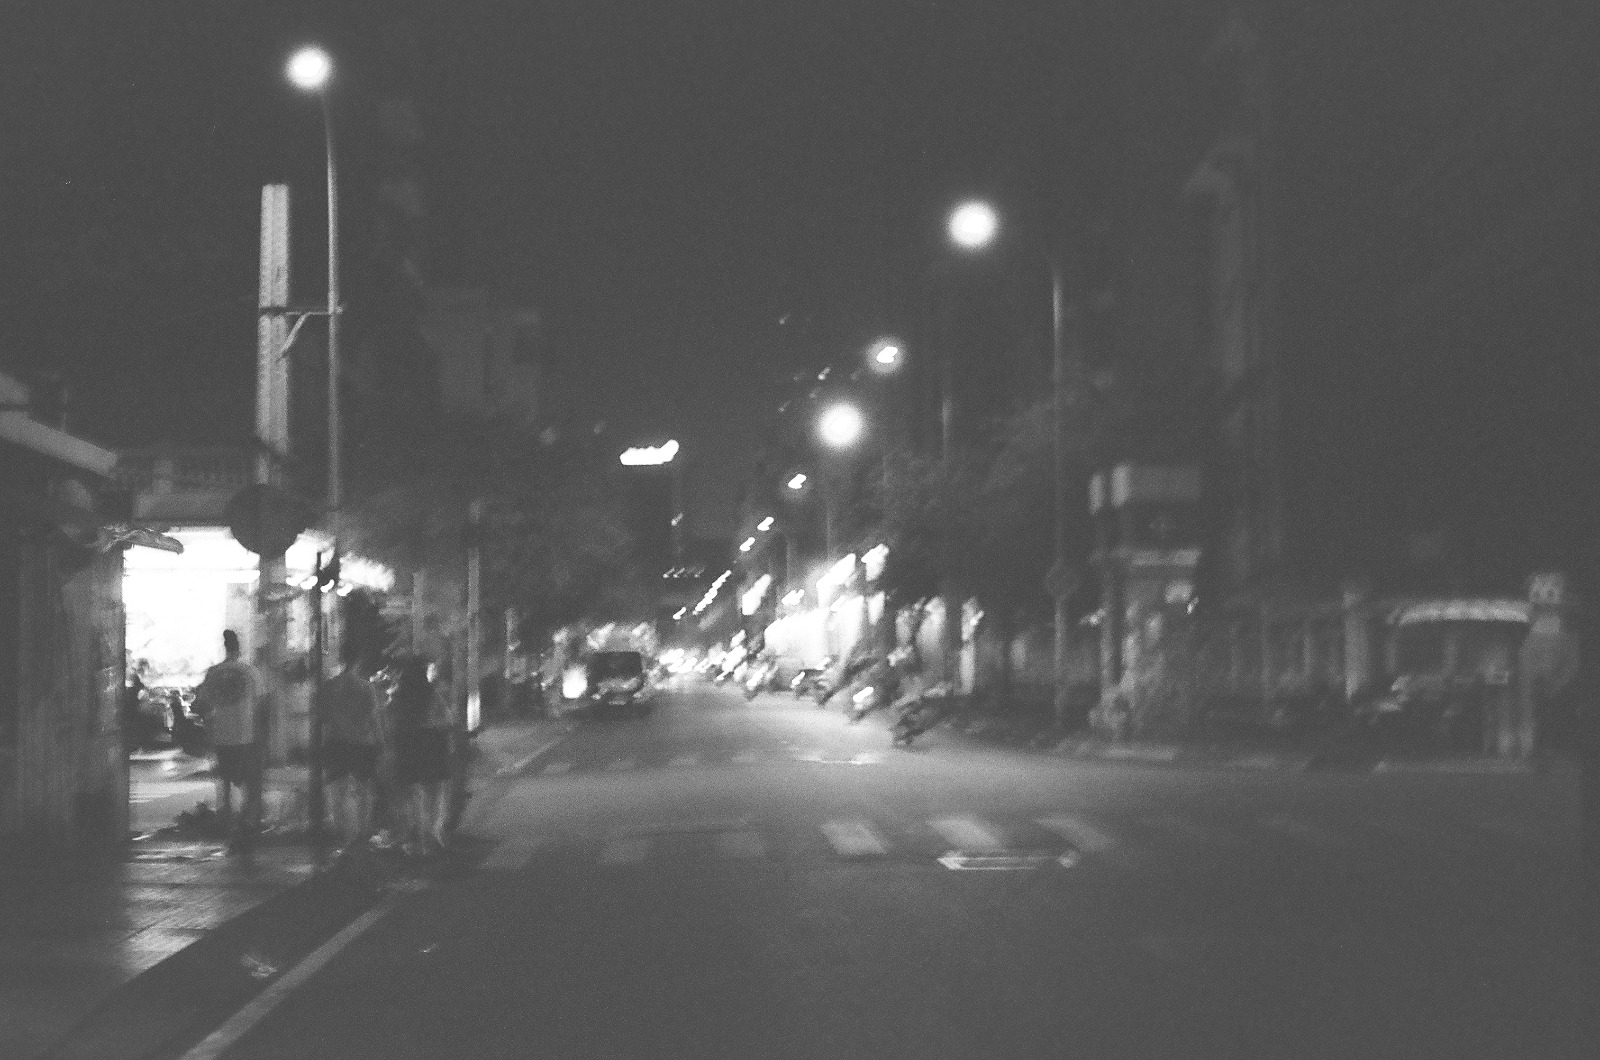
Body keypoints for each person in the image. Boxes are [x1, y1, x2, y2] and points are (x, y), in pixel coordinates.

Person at [192, 630, 265, 854]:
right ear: (238, 647)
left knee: (224, 786)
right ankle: (245, 827)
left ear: (225, 647)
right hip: (246, 736)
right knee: (250, 786)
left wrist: (211, 725)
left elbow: (202, 704)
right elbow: (261, 706)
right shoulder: (250, 672)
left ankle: (229, 829)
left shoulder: (213, 673)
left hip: (221, 737)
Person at [321, 645, 386, 853]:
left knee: (338, 792)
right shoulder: (365, 687)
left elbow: (324, 719)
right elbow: (373, 717)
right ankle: (362, 834)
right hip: (362, 742)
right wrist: (380, 741)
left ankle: (345, 837)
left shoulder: (330, 686)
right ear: (358, 662)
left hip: (337, 742)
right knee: (364, 790)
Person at [388, 656, 454, 855]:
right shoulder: (432, 694)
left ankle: (416, 836)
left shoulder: (399, 696)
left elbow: (391, 721)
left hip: (407, 746)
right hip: (432, 745)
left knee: (412, 793)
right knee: (434, 792)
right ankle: (432, 835)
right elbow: (447, 720)